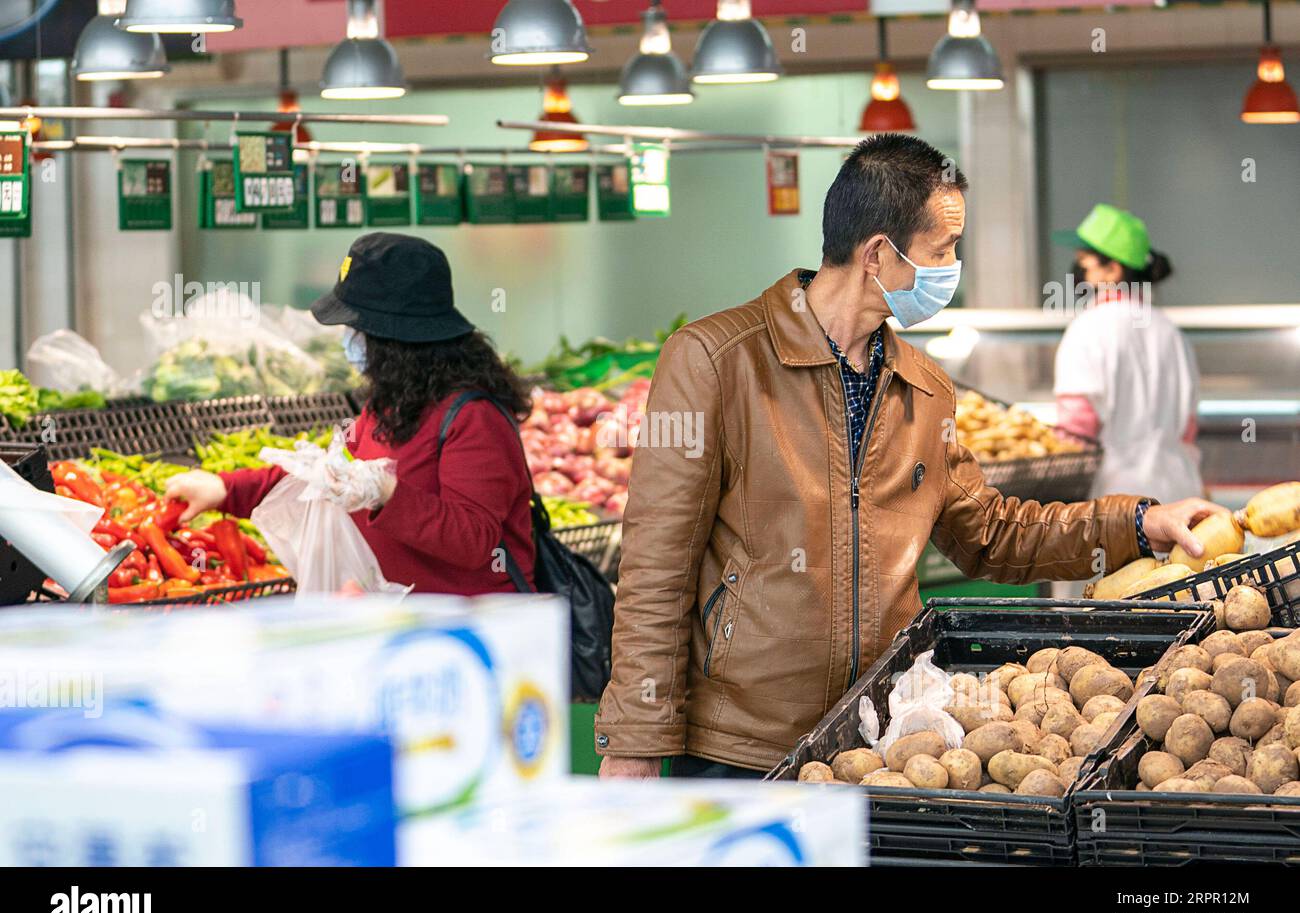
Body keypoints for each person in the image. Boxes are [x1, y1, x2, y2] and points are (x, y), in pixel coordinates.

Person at [596, 134, 1228, 780]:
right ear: (877, 255)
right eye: (944, 251)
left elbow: (992, 532)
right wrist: (635, 740)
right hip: (742, 755)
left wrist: (1135, 523)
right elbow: (656, 568)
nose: (953, 268)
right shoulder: (715, 362)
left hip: (879, 744)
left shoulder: (925, 389)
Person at [164, 233, 536, 595]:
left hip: (473, 634)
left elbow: (473, 540)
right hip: (397, 620)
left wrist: (387, 493)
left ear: (395, 340)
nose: (346, 341)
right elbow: (328, 475)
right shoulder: (392, 402)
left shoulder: (474, 417)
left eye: (355, 329)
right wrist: (225, 489)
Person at [1051, 203, 1203, 503]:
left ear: (1113, 269)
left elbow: (1076, 432)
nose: (1079, 269)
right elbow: (1188, 428)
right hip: (1180, 493)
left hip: (1119, 503)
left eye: (1085, 260)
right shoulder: (1170, 331)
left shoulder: (1088, 328)